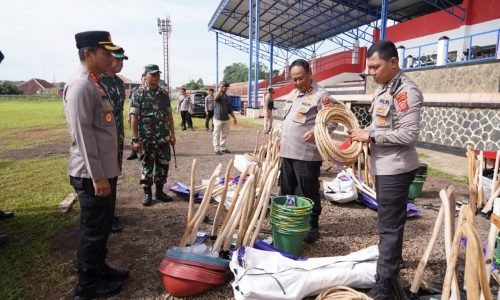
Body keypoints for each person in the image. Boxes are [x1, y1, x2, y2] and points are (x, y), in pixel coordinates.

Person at [350, 40, 423, 300]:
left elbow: (408, 135)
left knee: (389, 227)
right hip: (384, 167)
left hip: (397, 168)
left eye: (375, 67)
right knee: (388, 223)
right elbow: (380, 126)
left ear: (393, 63)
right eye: (369, 67)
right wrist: (365, 134)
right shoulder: (384, 90)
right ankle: (392, 263)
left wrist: (372, 137)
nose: (371, 72)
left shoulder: (406, 92)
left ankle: (385, 284)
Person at [63, 31, 128, 299]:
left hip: (102, 172)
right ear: (89, 54)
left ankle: (99, 269)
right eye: (105, 53)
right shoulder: (80, 86)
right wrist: (98, 177)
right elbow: (84, 136)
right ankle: (87, 286)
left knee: (101, 228)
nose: (110, 58)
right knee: (93, 231)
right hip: (92, 174)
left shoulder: (95, 83)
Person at [279, 59, 335, 244]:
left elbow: (333, 120)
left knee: (308, 191)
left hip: (306, 155)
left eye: (300, 78)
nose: (297, 83)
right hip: (287, 152)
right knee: (287, 190)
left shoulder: (321, 95)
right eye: (294, 79)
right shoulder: (294, 94)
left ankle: (312, 226)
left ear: (310, 74)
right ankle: (291, 220)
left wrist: (316, 131)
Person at [130, 64, 176, 206]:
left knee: (163, 165)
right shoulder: (138, 94)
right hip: (146, 139)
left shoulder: (163, 94)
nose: (156, 77)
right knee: (147, 166)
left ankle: (160, 192)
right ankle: (147, 193)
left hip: (163, 137)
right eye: (153, 74)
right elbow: (133, 118)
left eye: (157, 74)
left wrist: (172, 133)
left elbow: (169, 115)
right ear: (146, 76)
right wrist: (135, 139)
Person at [101, 48, 128, 233]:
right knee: (103, 175)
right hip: (102, 136)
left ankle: (110, 211)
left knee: (114, 175)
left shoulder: (119, 83)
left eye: (122, 60)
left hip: (116, 135)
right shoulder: (97, 81)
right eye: (117, 60)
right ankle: (104, 216)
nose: (120, 63)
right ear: (108, 59)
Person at [213, 81, 237, 155]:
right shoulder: (218, 94)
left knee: (224, 134)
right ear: (220, 86)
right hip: (218, 118)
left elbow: (230, 109)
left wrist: (234, 118)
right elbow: (215, 98)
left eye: (226, 86)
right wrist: (220, 89)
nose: (224, 87)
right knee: (216, 134)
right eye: (223, 86)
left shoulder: (227, 97)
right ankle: (216, 149)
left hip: (226, 119)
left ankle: (223, 148)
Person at [126, 73, 146, 161]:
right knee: (134, 132)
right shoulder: (135, 90)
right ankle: (134, 151)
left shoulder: (149, 90)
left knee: (142, 133)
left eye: (146, 79)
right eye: (143, 79)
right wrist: (129, 115)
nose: (145, 80)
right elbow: (130, 102)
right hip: (135, 114)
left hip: (143, 116)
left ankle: (142, 153)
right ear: (141, 79)